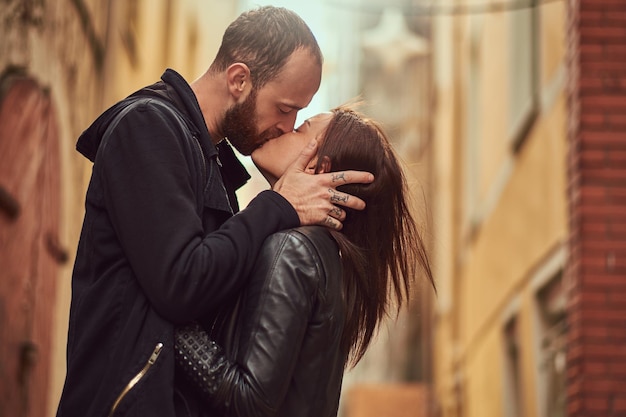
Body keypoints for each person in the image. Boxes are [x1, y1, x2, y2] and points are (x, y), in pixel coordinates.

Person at [56, 7, 373, 417]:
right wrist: (277, 205)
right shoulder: (148, 127)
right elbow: (182, 283)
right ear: (239, 80)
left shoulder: (212, 162)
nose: (287, 125)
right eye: (284, 108)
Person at [173, 106, 436, 417]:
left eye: (301, 129)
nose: (286, 128)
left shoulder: (293, 248)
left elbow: (250, 399)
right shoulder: (319, 253)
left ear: (317, 167)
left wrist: (171, 321)